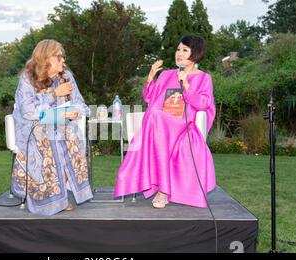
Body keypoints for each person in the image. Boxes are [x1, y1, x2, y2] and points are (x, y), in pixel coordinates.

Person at [114, 35, 216, 208]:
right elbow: (149, 97)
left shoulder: (203, 78)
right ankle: (162, 189)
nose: (179, 53)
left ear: (196, 53)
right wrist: (151, 76)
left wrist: (187, 85)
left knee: (155, 116)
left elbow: (204, 103)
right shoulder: (166, 75)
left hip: (184, 123)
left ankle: (163, 190)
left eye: (184, 50)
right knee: (155, 114)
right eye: (178, 49)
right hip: (161, 122)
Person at [11, 39, 93, 216]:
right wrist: (54, 94)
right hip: (33, 126)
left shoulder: (66, 77)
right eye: (59, 57)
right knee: (48, 138)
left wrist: (75, 111)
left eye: (63, 57)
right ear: (46, 58)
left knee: (69, 135)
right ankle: (49, 198)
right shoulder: (28, 78)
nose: (63, 60)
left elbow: (80, 103)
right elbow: (28, 111)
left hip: (61, 124)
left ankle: (61, 196)